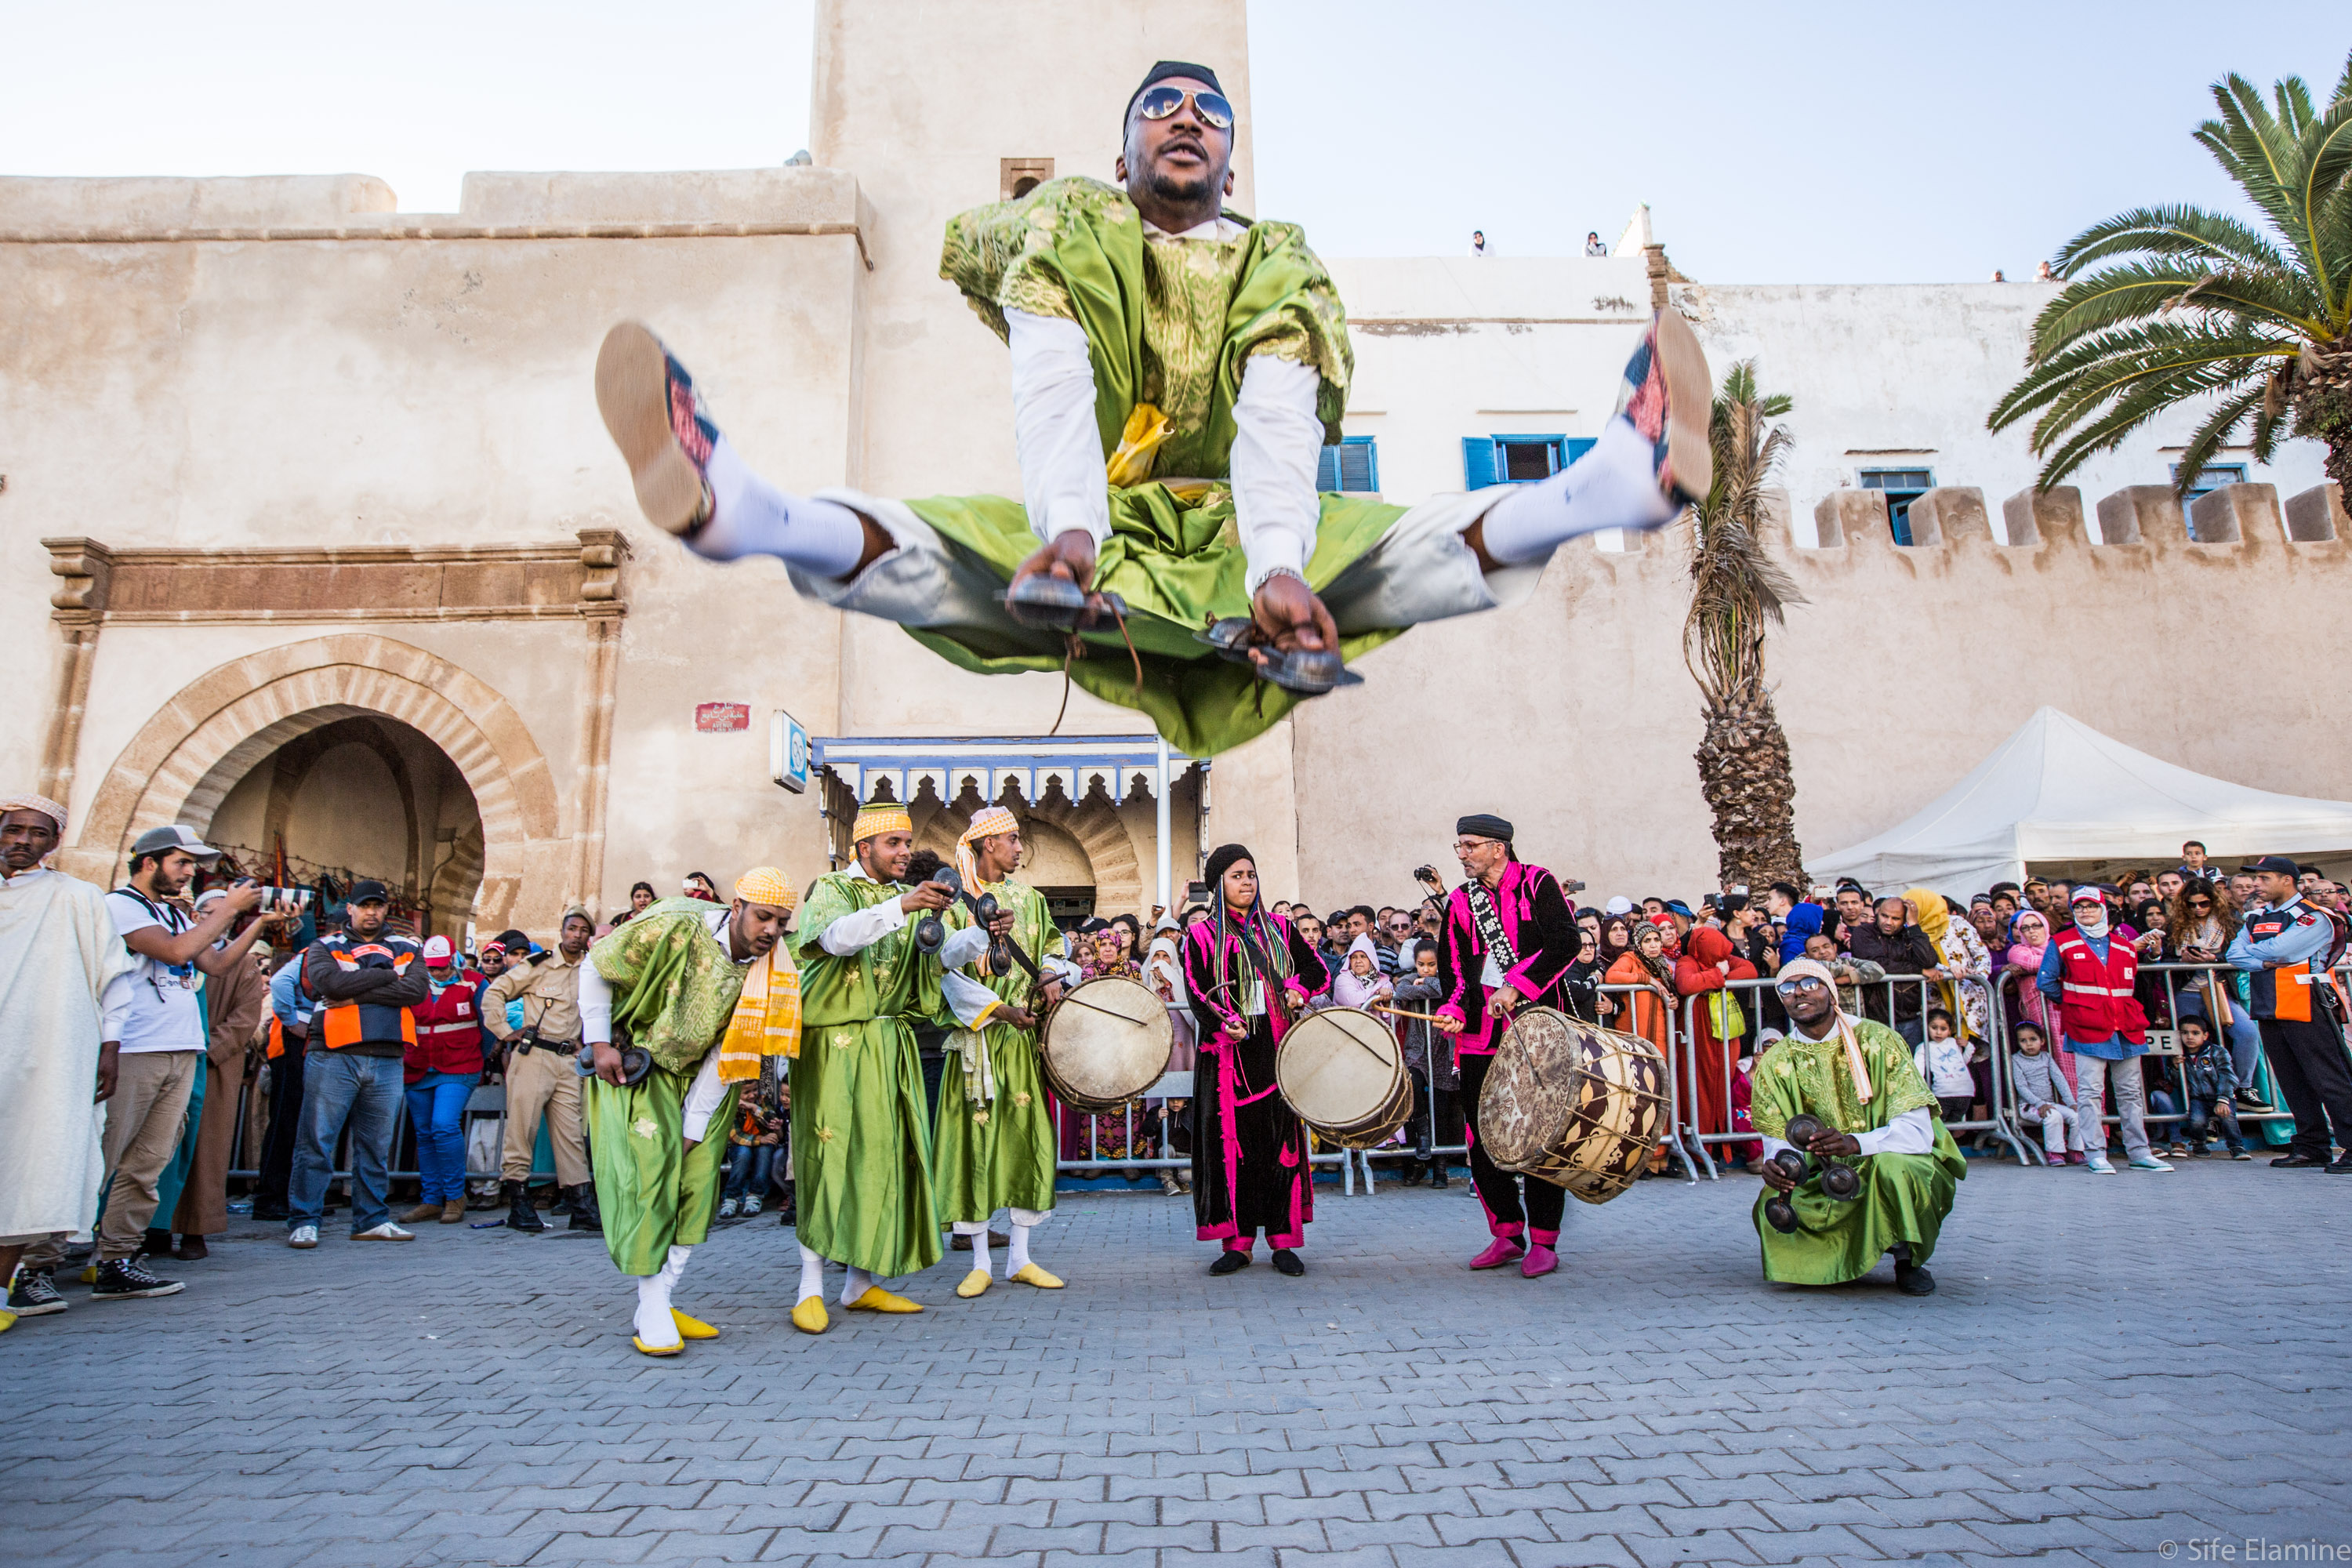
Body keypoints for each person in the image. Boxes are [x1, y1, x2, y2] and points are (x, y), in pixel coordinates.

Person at [593, 62, 1711, 758]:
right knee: (950, 548)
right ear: (1121, 152)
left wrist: (1279, 563)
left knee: (1392, 548)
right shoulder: (1072, 223)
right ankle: (739, 510)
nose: (1187, 118)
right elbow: (1051, 382)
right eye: (1160, 107)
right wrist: (1074, 529)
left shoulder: (1278, 261)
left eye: (1210, 111)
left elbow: (1278, 423)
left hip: (1246, 543)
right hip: (1097, 540)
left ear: (1230, 163)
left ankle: (1612, 482)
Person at [789, 802, 996, 1330]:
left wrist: (982, 932)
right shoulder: (834, 888)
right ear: (864, 849)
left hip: (889, 1041)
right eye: (893, 844)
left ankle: (859, 1286)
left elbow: (935, 960)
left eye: (907, 843)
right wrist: (903, 905)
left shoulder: (904, 899)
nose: (904, 852)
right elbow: (834, 939)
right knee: (829, 1156)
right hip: (835, 1043)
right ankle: (809, 1288)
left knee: (880, 1161)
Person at [579, 869, 801, 1355]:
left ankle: (658, 1301)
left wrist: (694, 1126)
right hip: (639, 1063)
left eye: (782, 923)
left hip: (706, 1077)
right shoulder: (676, 921)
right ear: (737, 907)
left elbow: (729, 1050)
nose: (772, 931)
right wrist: (598, 1043)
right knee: (652, 1179)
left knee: (697, 1183)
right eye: (764, 917)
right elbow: (597, 963)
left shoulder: (774, 969)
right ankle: (653, 1306)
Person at [100, 826, 288, 1295]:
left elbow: (216, 964)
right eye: (182, 863)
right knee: (102, 1156)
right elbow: (175, 951)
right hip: (136, 1050)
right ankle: (37, 1263)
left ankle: (116, 1259)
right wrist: (229, 908)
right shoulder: (120, 906)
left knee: (147, 1163)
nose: (190, 873)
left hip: (182, 1049)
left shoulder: (172, 912)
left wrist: (258, 924)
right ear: (149, 862)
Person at [0, 794, 138, 1330]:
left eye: (38, 833)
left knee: (30, 1165)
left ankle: (2, 1292)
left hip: (48, 1057)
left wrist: (110, 1048)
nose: (23, 841)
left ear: (55, 841)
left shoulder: (77, 897)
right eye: (14, 830)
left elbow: (114, 979)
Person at [1428, 813, 1583, 1279]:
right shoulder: (1461, 901)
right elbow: (1456, 972)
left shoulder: (1538, 884)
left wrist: (1517, 985)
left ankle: (1545, 1239)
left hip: (1537, 1032)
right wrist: (1454, 1008)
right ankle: (1507, 1232)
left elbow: (1565, 943)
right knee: (1483, 1136)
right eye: (1459, 846)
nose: (1462, 854)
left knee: (1540, 1133)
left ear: (1498, 848)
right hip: (1481, 1038)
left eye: (1470, 845)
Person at [1751, 959, 1965, 1295]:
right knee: (1772, 1201)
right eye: (1788, 989)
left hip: (1886, 1156)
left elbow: (1917, 1131)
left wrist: (1856, 1143)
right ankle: (1833, 1262)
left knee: (1897, 1170)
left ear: (1831, 992)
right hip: (1823, 1170)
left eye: (1810, 984)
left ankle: (1907, 1260)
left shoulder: (1879, 1040)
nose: (1799, 994)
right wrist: (1779, 1165)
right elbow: (1777, 1136)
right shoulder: (1776, 1060)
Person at [935, 805, 1068, 1300]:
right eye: (1012, 839)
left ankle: (1020, 1258)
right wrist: (998, 1010)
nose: (1019, 848)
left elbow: (1054, 945)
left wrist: (1050, 972)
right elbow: (942, 968)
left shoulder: (1031, 899)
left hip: (1021, 1041)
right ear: (987, 844)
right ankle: (980, 1262)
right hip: (978, 1038)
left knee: (1023, 1137)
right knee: (974, 1143)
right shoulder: (954, 902)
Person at [1181, 843, 1329, 1276]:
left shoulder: (1281, 928)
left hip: (1278, 1052)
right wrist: (1223, 1020)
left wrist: (1298, 989)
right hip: (1229, 1057)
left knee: (1282, 1149)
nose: (1247, 882)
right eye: (1236, 876)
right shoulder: (1201, 935)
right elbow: (1196, 989)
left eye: (1251, 874)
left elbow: (1318, 971)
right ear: (1218, 885)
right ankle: (1239, 1244)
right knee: (1234, 1152)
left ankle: (1284, 1241)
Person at [289, 879, 430, 1248]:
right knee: (317, 1141)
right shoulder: (324, 945)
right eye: (364, 906)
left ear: (386, 910)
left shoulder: (407, 947)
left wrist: (354, 996)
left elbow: (416, 991)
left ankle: (371, 1219)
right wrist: (388, 975)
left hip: (387, 1056)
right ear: (349, 908)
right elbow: (330, 985)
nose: (372, 912)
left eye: (378, 906)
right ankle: (304, 1219)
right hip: (334, 1053)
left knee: (375, 1146)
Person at [167, 887, 274, 1260]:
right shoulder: (174, 950)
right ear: (196, 917)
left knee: (205, 1150)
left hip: (212, 1065)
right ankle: (152, 1228)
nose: (220, 919)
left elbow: (244, 1019)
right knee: (159, 1147)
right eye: (211, 913)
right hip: (171, 1056)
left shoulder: (241, 963)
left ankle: (196, 1229)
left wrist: (206, 1049)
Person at [2226, 855, 2352, 1171]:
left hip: (2308, 1003)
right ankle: (2312, 1147)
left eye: (2263, 878)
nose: (2256, 884)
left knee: (2330, 1079)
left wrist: (2260, 954)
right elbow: (2234, 954)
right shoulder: (2256, 916)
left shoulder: (2315, 915)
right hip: (2269, 1005)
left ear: (2287, 880)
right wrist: (2263, 961)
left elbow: (2279, 950)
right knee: (2292, 1082)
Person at [2037, 885, 2171, 1175]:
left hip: (2126, 1026)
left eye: (2091, 906)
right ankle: (2096, 1152)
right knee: (2090, 1093)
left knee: (2131, 1093)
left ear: (2102, 910)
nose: (2085, 911)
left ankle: (2140, 1152)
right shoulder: (2062, 942)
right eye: (2079, 907)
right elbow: (2045, 982)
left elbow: (2134, 977)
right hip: (2087, 1027)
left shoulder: (2123, 945)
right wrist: (2077, 1005)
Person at [481, 909, 600, 1233]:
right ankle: (519, 1203)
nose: (576, 935)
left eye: (583, 930)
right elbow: (495, 993)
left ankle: (581, 1204)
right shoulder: (538, 965)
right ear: (562, 931)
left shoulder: (591, 969)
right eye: (572, 928)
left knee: (570, 1135)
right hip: (534, 1054)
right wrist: (505, 1031)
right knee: (523, 1130)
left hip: (568, 1058)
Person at [396, 935, 484, 1227]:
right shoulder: (414, 984)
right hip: (418, 1066)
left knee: (444, 1126)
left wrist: (476, 1056)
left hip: (460, 1066)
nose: (437, 972)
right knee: (424, 1133)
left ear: (454, 961)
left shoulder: (475, 983)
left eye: (442, 967)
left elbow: (488, 1027)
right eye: (431, 967)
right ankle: (431, 1199)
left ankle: (455, 1197)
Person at [1676, 925, 1755, 1159]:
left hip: (1724, 1037)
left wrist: (1714, 979)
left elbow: (1749, 970)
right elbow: (1686, 984)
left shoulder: (1723, 960)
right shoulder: (1688, 961)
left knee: (1724, 1088)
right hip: (1699, 1038)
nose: (1723, 957)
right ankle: (1704, 1147)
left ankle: (1721, 1146)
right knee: (1699, 1091)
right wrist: (1717, 976)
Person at [1391, 938, 1457, 1188]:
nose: (1426, 970)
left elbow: (1442, 989)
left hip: (1442, 1051)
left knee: (1440, 1108)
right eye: (1421, 965)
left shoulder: (1448, 980)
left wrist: (1425, 983)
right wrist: (1419, 983)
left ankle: (1440, 1169)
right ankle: (1421, 1144)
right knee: (1413, 1089)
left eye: (1432, 965)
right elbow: (1402, 991)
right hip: (1418, 1051)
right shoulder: (1410, 978)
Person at [1846, 897, 1940, 1043]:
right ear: (1878, 912)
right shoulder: (1863, 932)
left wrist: (1914, 925)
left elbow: (1929, 961)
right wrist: (1918, 970)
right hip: (1876, 1019)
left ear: (1904, 919)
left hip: (1910, 1018)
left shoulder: (1909, 934)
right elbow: (1876, 964)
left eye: (1896, 918)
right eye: (1885, 916)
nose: (1889, 922)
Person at [2171, 1014, 2249, 1160]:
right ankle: (2199, 1144)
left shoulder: (2217, 1052)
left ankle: (2237, 1147)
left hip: (2222, 1096)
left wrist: (2223, 1099)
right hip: (2198, 1098)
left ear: (2205, 1035)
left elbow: (2228, 1076)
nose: (2189, 1037)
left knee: (2228, 1118)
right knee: (2196, 1120)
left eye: (2195, 1033)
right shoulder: (2180, 1056)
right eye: (2184, 1033)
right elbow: (2177, 1083)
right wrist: (2176, 1069)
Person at [2005, 1021, 2083, 1167]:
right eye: (2023, 1041)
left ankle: (2075, 1150)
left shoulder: (2046, 1057)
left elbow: (2060, 1080)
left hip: (2049, 1104)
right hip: (2028, 1106)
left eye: (2033, 1039)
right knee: (2053, 1116)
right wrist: (2039, 1103)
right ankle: (2054, 1152)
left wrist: (2071, 1103)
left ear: (2042, 1041)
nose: (2029, 1044)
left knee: (2077, 1116)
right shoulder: (2016, 1060)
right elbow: (2021, 1087)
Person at [1913, 1008, 1973, 1123]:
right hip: (1943, 1092)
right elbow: (1918, 1071)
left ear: (1950, 1030)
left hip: (1965, 1092)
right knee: (1941, 1124)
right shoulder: (1924, 1047)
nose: (1938, 1033)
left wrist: (1968, 1046)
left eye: (1943, 1029)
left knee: (1951, 1124)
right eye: (1934, 1028)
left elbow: (1962, 1062)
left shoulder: (1954, 1043)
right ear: (1926, 1027)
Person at [1331, 931, 1394, 1011]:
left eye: (1363, 957)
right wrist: (1378, 992)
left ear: (1371, 959)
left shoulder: (1384, 981)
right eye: (1354, 957)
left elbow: (1395, 1016)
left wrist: (1386, 1004)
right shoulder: (1342, 979)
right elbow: (1354, 1002)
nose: (1358, 961)